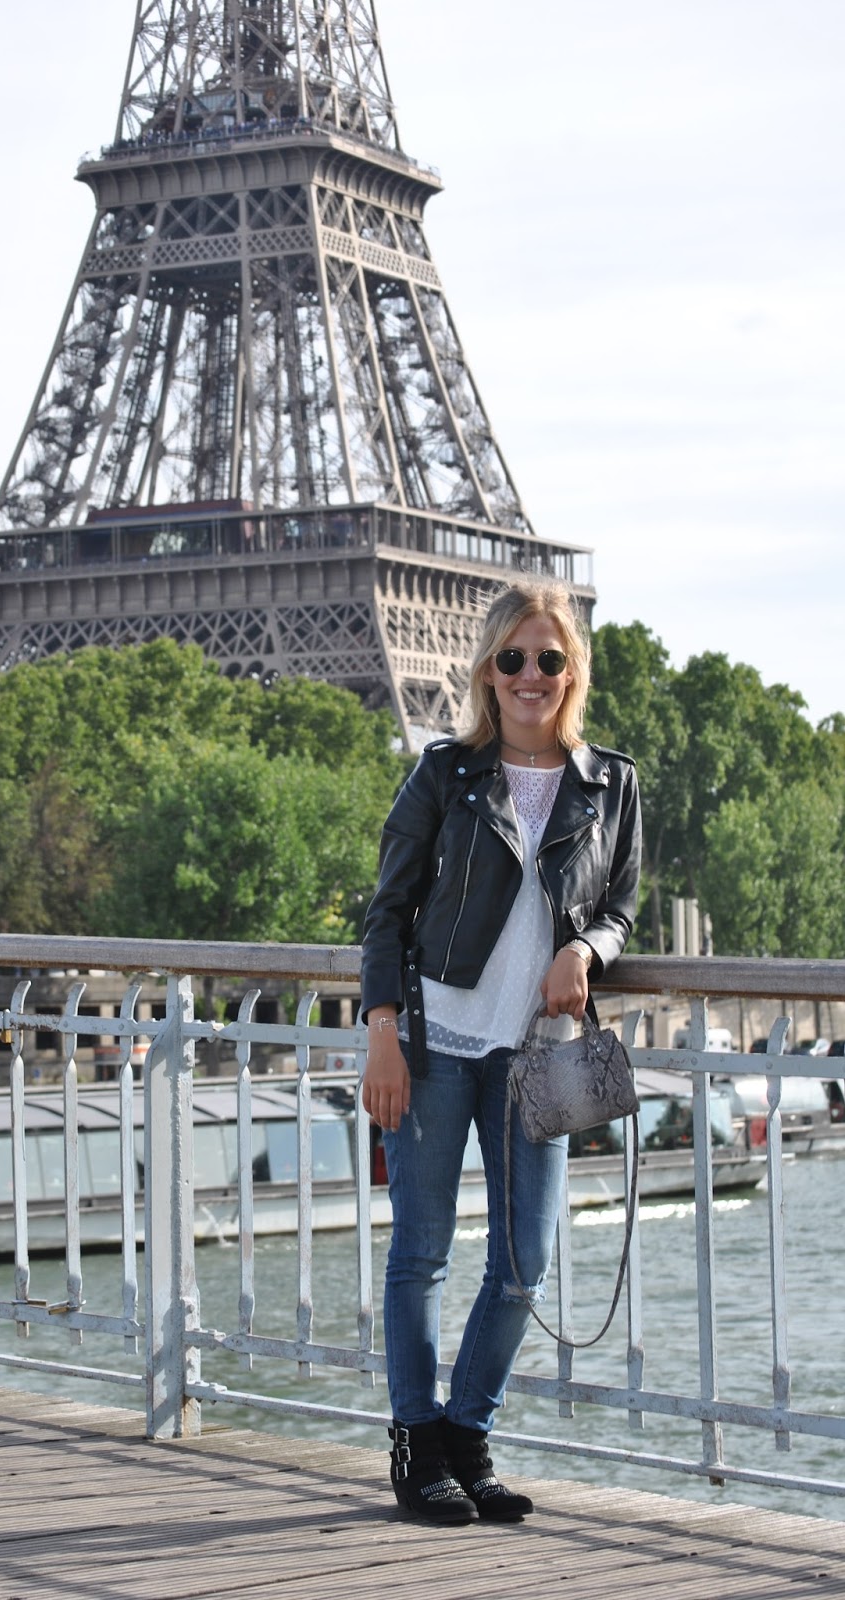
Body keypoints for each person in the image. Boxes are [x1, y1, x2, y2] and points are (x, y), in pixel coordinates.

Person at [359, 576, 641, 1526]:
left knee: (524, 1264)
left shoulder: (610, 784)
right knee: (422, 1252)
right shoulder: (443, 773)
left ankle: (466, 1436)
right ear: (486, 670)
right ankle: (416, 1445)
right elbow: (387, 913)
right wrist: (382, 1033)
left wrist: (582, 949)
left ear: (572, 671)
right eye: (512, 657)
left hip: (538, 1053)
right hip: (434, 1044)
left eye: (548, 658)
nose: (530, 674)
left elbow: (620, 905)